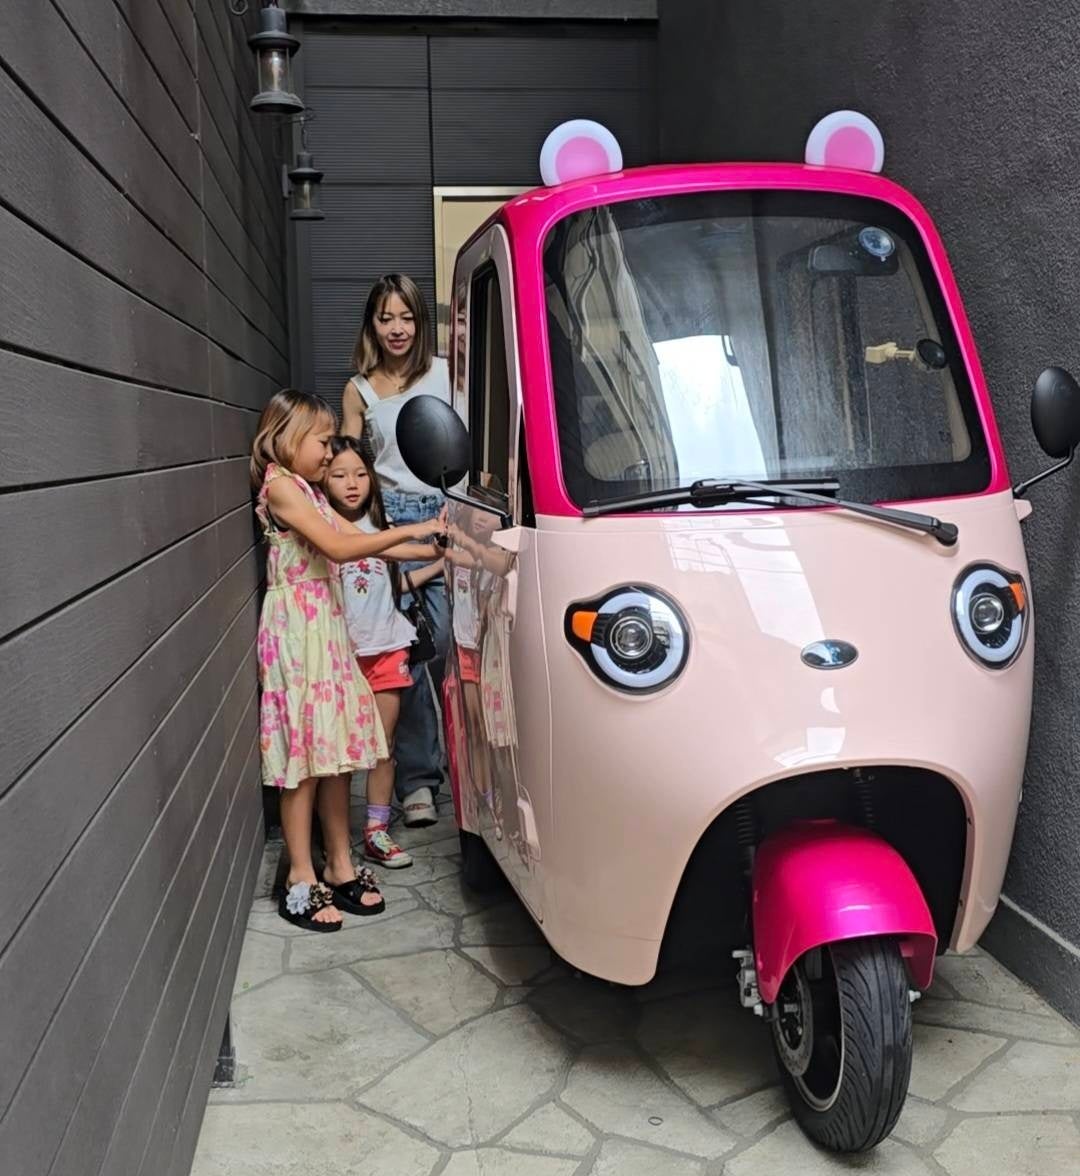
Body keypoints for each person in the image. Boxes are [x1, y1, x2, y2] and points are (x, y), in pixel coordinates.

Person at [251, 390, 444, 932]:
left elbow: (367, 542)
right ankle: (300, 875)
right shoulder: (281, 486)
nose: (327, 449)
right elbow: (337, 548)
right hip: (299, 634)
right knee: (304, 760)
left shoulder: (312, 492)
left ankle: (339, 863)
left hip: (328, 629)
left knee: (334, 754)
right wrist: (411, 528)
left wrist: (437, 547)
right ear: (287, 436)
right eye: (320, 440)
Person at [342, 274, 452, 827]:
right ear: (372, 325)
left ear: (420, 321)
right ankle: (419, 783)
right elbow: (348, 463)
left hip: (450, 513)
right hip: (394, 526)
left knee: (450, 645)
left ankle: (464, 766)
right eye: (386, 318)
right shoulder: (359, 390)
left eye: (406, 317)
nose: (397, 328)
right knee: (404, 656)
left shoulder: (447, 373)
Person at [323, 436, 446, 869]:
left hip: (388, 648)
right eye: (339, 475)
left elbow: (393, 577)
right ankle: (334, 835)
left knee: (383, 744)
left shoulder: (382, 523)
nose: (352, 484)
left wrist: (439, 555)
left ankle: (376, 831)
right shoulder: (323, 525)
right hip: (343, 653)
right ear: (323, 480)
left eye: (360, 474)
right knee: (340, 750)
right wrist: (422, 538)